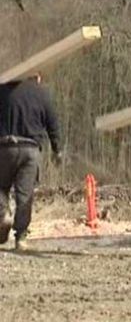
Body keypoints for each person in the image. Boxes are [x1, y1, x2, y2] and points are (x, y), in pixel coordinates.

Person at [0, 74, 62, 251]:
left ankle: (2, 215)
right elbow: (53, 123)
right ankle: (21, 238)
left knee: (0, 188)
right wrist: (57, 150)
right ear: (37, 76)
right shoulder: (42, 93)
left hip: (4, 146)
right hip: (30, 150)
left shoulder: (3, 88)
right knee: (25, 196)